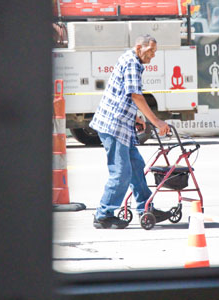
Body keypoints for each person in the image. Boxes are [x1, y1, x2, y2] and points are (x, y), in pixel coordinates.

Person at [90, 34, 172, 229]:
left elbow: (121, 93)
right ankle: (103, 215)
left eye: (155, 52)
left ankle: (146, 208)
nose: (152, 55)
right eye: (150, 50)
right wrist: (156, 121)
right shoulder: (132, 63)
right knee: (121, 172)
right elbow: (135, 95)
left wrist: (136, 117)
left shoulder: (131, 59)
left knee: (136, 166)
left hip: (121, 123)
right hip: (114, 125)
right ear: (138, 47)